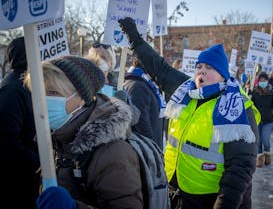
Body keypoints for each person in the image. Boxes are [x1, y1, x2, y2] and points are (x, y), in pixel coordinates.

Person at [119, 17, 260, 209]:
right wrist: (134, 38)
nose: (202, 71)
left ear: (223, 75)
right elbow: (158, 67)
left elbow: (241, 167)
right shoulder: (185, 91)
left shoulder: (237, 107)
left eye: (209, 68)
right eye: (199, 67)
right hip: (175, 192)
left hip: (210, 199)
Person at [24, 56, 143, 209]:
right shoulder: (57, 137)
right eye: (39, 93)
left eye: (53, 92)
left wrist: (74, 207)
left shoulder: (112, 153)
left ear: (82, 97)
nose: (43, 100)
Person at [0, 37, 41, 209]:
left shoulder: (29, 83)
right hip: (18, 180)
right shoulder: (13, 88)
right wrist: (38, 161)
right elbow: (6, 138)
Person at [124, 54, 167, 149]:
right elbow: (141, 121)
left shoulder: (145, 83)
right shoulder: (137, 86)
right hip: (146, 149)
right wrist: (152, 147)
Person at [250, 72, 273, 167]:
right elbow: (250, 105)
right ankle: (260, 159)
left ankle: (267, 153)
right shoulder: (255, 92)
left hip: (268, 120)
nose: (262, 82)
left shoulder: (271, 92)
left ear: (267, 81)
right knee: (259, 140)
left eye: (264, 80)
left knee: (265, 139)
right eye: (261, 80)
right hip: (257, 121)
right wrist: (248, 96)